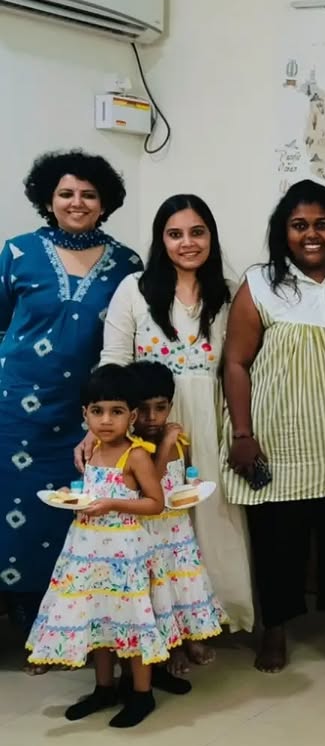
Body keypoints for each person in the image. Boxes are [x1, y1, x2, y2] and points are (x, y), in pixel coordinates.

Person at [220, 180, 325, 673]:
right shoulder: (260, 284)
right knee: (278, 543)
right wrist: (242, 435)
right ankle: (275, 630)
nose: (312, 234)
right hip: (281, 439)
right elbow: (235, 363)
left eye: (322, 224)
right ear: (282, 233)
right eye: (299, 225)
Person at [90, 194, 255, 639]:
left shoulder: (229, 290)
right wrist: (103, 432)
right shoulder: (135, 288)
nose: (187, 243)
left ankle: (213, 620)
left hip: (211, 418)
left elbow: (240, 363)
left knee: (212, 516)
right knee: (159, 522)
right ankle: (163, 626)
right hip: (150, 424)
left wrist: (242, 430)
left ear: (211, 237)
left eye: (197, 232)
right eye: (175, 234)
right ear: (160, 240)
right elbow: (113, 361)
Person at [0, 151, 141, 650]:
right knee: (12, 507)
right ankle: (21, 614)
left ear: (105, 203)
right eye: (66, 193)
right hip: (15, 407)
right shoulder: (17, 253)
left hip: (88, 414)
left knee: (74, 510)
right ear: (48, 200)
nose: (76, 203)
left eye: (88, 194)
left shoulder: (127, 264)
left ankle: (68, 621)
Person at [25, 365, 178, 727]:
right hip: (88, 550)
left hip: (124, 553)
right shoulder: (92, 449)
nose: (106, 420)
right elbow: (91, 493)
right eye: (97, 411)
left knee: (131, 621)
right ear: (85, 414)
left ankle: (142, 693)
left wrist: (112, 504)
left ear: (132, 416)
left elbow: (155, 502)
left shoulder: (135, 455)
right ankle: (104, 688)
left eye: (116, 411)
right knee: (99, 619)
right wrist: (72, 495)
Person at [129, 360, 226, 677]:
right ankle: (170, 646)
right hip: (150, 532)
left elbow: (179, 481)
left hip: (177, 529)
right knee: (159, 589)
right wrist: (166, 445)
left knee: (182, 583)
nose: (152, 417)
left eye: (160, 408)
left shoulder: (177, 441)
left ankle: (189, 637)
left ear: (171, 406)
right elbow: (152, 486)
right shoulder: (135, 448)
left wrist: (192, 487)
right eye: (143, 409)